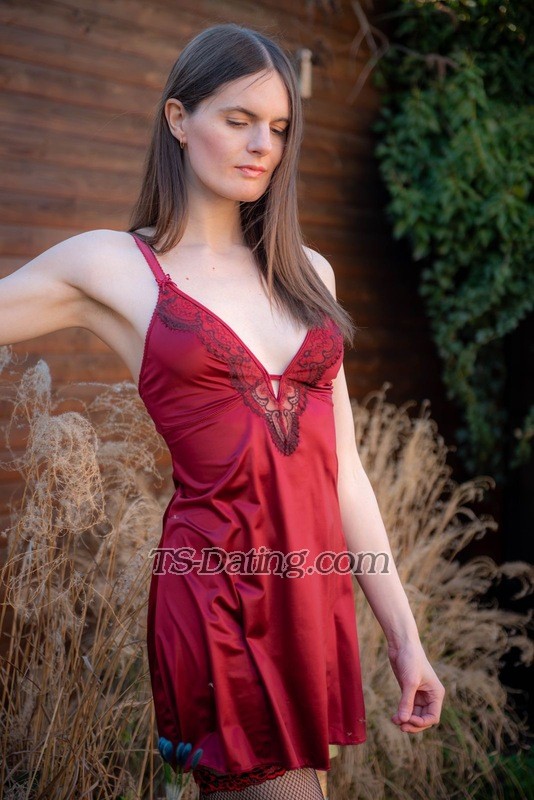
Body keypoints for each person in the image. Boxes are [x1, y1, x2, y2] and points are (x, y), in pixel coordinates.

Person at [0, 23, 445, 800]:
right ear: (178, 119)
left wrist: (406, 640)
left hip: (308, 599)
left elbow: (344, 473)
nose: (262, 145)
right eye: (238, 120)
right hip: (215, 600)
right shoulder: (114, 266)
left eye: (278, 127)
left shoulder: (310, 274)